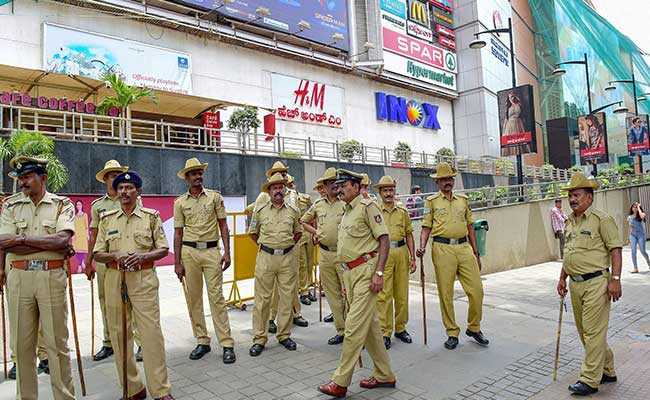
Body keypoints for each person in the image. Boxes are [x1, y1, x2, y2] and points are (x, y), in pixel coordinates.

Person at [0, 156, 76, 399]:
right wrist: (46, 243)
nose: (22, 182)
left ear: (43, 178)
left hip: (51, 277)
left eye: (27, 177)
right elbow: (3, 242)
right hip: (19, 278)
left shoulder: (62, 205)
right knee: (22, 347)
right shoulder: (11, 206)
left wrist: (21, 239)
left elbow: (62, 240)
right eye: (20, 178)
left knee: (56, 345)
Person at [93, 171, 175, 400]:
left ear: (138, 191)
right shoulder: (107, 219)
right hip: (114, 278)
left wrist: (142, 257)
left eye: (129, 188)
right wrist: (114, 256)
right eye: (121, 188)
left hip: (143, 278)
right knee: (119, 336)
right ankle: (133, 389)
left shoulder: (151, 217)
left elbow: (163, 248)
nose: (124, 192)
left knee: (151, 335)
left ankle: (161, 390)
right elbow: (97, 253)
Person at [318, 169, 396, 398]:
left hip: (366, 272)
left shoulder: (367, 206)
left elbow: (384, 239)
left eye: (343, 185)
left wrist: (379, 272)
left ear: (355, 186)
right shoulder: (347, 210)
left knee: (352, 327)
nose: (339, 190)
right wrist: (345, 278)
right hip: (350, 274)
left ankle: (340, 382)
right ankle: (384, 375)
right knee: (370, 329)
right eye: (338, 186)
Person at [556, 172, 623, 396]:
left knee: (593, 332)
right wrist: (562, 277)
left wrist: (615, 280)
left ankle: (589, 379)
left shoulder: (601, 220)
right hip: (575, 284)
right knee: (586, 332)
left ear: (589, 197)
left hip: (597, 283)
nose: (572, 199)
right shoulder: (569, 221)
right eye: (570, 196)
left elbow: (615, 250)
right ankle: (607, 369)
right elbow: (570, 253)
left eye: (576, 195)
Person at [416, 162, 488, 350]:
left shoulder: (463, 200)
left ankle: (474, 327)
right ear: (437, 182)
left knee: (477, 291)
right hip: (442, 248)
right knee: (446, 293)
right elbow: (426, 227)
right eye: (443, 179)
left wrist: (476, 252)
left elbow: (470, 227)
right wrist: (422, 246)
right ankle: (452, 332)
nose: (447, 182)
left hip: (464, 247)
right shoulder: (431, 201)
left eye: (449, 178)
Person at [173, 158, 236, 363]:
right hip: (189, 253)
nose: (198, 176)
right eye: (193, 173)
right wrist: (177, 262)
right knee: (194, 298)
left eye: (200, 173)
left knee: (216, 297)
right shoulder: (180, 203)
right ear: (187, 178)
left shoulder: (215, 197)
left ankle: (226, 343)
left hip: (211, 252)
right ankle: (202, 340)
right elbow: (178, 233)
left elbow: (223, 225)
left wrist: (227, 252)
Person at [85, 159, 143, 362]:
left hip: (128, 257)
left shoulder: (131, 198)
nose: (114, 179)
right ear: (105, 180)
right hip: (105, 261)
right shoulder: (97, 206)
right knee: (106, 301)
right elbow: (93, 235)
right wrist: (89, 261)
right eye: (110, 176)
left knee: (133, 299)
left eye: (116, 175)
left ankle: (140, 343)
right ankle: (109, 342)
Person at [248, 172, 303, 357]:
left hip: (287, 258)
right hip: (266, 257)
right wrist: (268, 247)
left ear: (285, 190)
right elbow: (253, 233)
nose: (278, 190)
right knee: (262, 300)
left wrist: (285, 246)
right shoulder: (260, 210)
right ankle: (259, 338)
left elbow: (298, 232)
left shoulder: (293, 210)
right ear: (269, 191)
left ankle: (284, 335)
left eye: (281, 187)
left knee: (286, 298)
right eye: (275, 188)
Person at [300, 167, 346, 345]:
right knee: (333, 295)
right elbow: (303, 221)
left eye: (335, 182)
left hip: (344, 255)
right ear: (324, 187)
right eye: (329, 183)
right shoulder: (318, 204)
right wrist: (317, 232)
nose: (333, 185)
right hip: (325, 255)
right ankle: (341, 331)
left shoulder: (346, 202)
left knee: (349, 295)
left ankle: (354, 332)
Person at [375, 176, 416, 349]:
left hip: (401, 252)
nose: (388, 193)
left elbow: (409, 234)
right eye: (385, 190)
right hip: (383, 255)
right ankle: (385, 331)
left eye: (391, 190)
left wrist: (413, 257)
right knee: (384, 295)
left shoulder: (402, 211)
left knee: (402, 294)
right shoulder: (375, 212)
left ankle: (400, 328)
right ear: (380, 192)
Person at [501, 91, 531, 156]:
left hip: (518, 123)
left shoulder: (519, 104)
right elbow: (506, 119)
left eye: (512, 97)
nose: (511, 99)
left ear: (514, 97)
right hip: (510, 125)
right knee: (511, 141)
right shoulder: (508, 107)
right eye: (509, 97)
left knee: (520, 140)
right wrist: (504, 132)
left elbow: (523, 115)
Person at [627, 202, 649, 273]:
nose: (634, 208)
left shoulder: (641, 215)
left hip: (640, 235)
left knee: (643, 251)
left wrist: (639, 207)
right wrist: (629, 238)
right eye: (633, 207)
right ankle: (635, 268)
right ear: (631, 208)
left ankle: (648, 263)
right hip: (632, 235)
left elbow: (642, 216)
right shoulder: (629, 217)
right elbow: (630, 228)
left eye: (636, 207)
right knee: (633, 251)